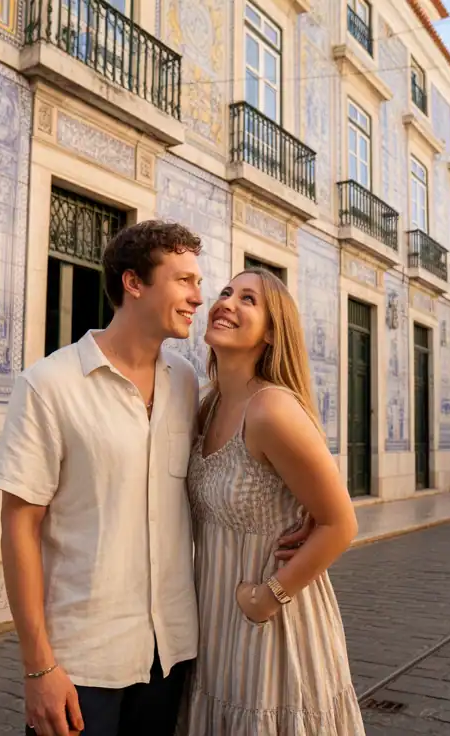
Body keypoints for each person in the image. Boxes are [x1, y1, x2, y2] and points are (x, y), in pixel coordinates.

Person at [0, 222, 312, 736]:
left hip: (172, 656)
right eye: (184, 281)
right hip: (83, 660)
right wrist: (38, 666)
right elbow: (18, 528)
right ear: (134, 283)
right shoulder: (48, 385)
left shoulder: (186, 383)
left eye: (200, 283)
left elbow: (247, 460)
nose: (199, 298)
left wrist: (307, 511)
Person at [177, 268, 365, 735]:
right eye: (226, 292)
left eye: (248, 300)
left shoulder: (271, 409)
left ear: (271, 333)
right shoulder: (207, 406)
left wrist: (267, 597)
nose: (227, 302)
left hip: (274, 629)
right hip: (216, 628)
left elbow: (341, 523)